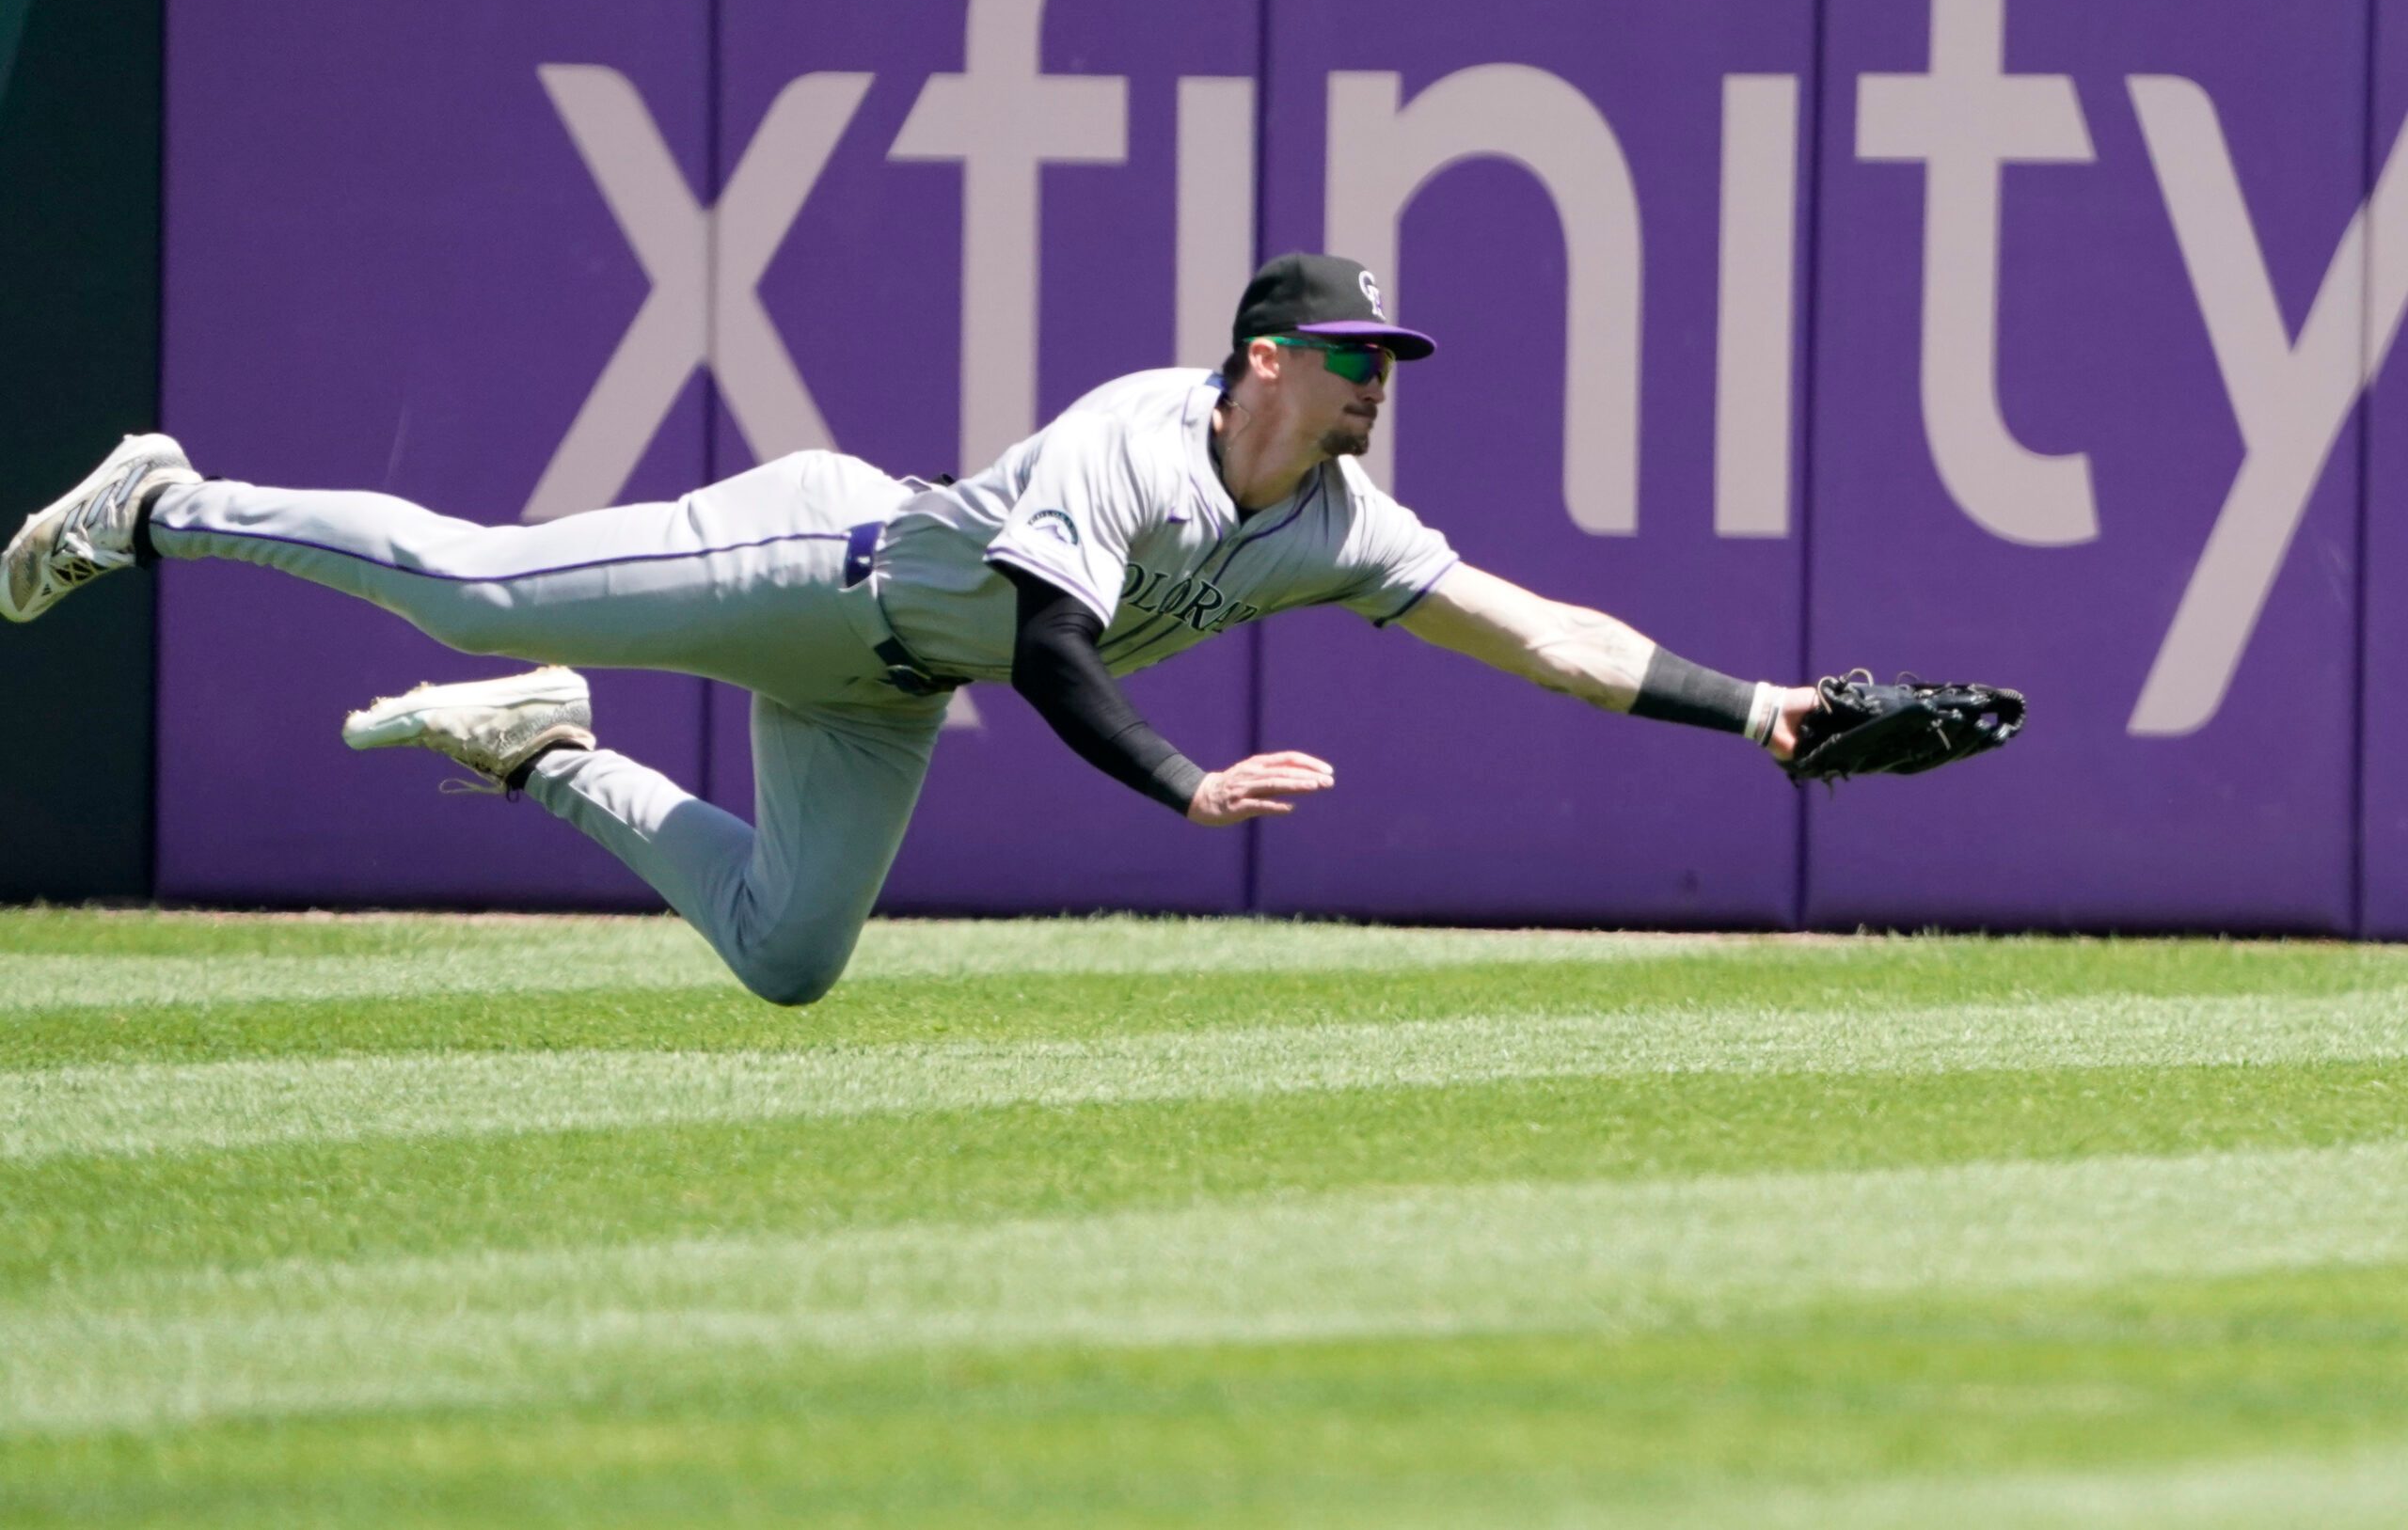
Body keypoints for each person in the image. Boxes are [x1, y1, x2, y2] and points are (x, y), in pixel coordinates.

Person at [4, 254, 1821, 1004]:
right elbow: (1047, 650)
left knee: (791, 956)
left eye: (1389, 366)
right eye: (1354, 358)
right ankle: (164, 500)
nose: (1377, 385)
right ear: (1266, 359)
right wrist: (1184, 785)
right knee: (475, 578)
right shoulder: (1135, 435)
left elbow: (1546, 633)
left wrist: (1767, 711)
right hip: (819, 565)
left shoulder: (1341, 527)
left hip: (884, 693)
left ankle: (541, 750)